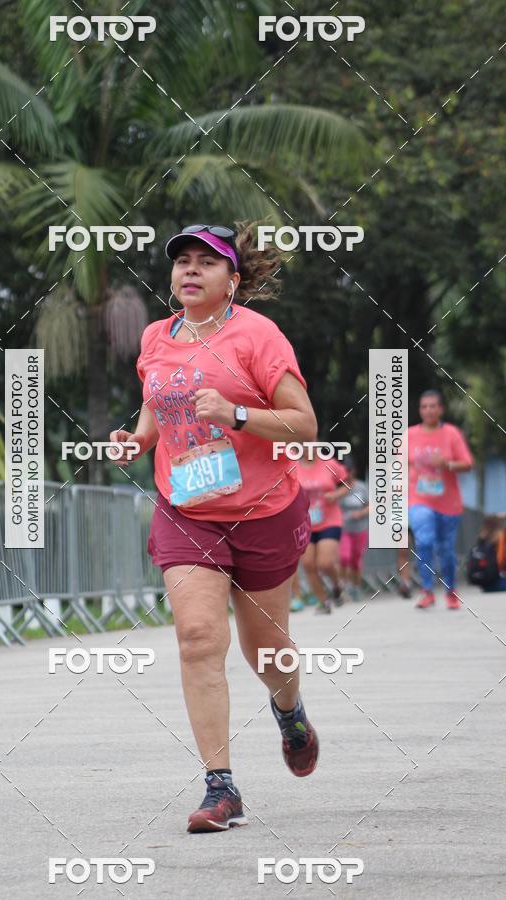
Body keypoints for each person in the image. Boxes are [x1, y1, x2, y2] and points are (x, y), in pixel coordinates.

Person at [110, 223, 319, 833]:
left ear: (233, 279)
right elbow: (154, 415)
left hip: (263, 511)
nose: (190, 271)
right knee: (199, 637)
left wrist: (238, 414)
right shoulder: (156, 337)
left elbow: (304, 424)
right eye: (182, 263)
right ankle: (220, 787)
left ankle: (289, 711)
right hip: (187, 511)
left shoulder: (258, 335)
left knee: (267, 650)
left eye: (207, 262)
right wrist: (134, 440)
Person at [408, 390, 474, 610]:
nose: (429, 410)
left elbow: (467, 464)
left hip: (448, 503)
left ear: (441, 409)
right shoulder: (408, 435)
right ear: (420, 410)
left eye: (433, 406)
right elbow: (398, 465)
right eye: (424, 406)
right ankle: (426, 590)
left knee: (446, 549)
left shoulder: (452, 434)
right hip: (419, 499)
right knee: (424, 541)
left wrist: (447, 464)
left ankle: (450, 591)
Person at [295, 451, 351, 613]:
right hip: (305, 523)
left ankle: (336, 584)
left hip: (330, 520)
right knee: (308, 565)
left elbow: (347, 484)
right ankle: (323, 602)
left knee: (325, 563)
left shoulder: (329, 463)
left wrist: (336, 494)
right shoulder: (292, 466)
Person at [338, 459, 369, 601]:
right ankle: (342, 586)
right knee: (344, 557)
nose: (346, 474)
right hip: (344, 529)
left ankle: (355, 586)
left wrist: (360, 513)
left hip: (360, 528)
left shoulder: (361, 487)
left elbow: (371, 506)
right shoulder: (338, 488)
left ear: (353, 471)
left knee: (356, 560)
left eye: (349, 471)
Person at [467, 514, 506, 592]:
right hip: (498, 582)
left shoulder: (482, 537)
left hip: (484, 585)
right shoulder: (500, 536)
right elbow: (501, 560)